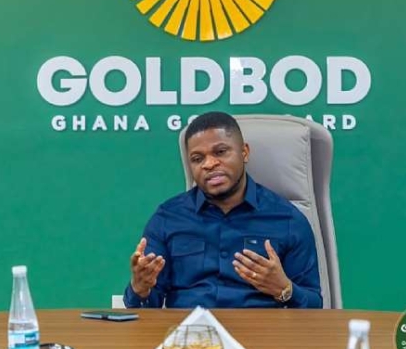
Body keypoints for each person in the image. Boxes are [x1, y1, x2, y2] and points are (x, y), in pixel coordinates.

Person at [123, 111, 322, 308]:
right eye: (197, 158)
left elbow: (314, 307)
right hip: (190, 327)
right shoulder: (168, 218)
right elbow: (146, 305)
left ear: (244, 152)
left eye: (220, 152)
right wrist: (140, 289)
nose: (209, 164)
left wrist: (284, 289)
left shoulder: (288, 219)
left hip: (259, 328)